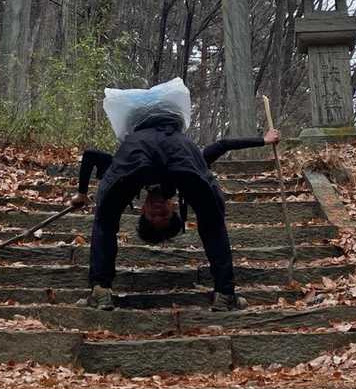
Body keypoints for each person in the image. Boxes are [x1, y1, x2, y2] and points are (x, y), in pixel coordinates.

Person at [70, 120, 280, 312]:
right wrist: (263, 140)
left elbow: (90, 155)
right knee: (213, 221)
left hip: (137, 158)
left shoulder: (131, 170)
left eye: (154, 214)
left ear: (143, 210)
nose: (158, 208)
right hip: (180, 158)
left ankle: (100, 290)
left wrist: (81, 193)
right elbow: (222, 145)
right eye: (163, 213)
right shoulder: (182, 171)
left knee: (104, 219)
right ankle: (225, 293)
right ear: (173, 208)